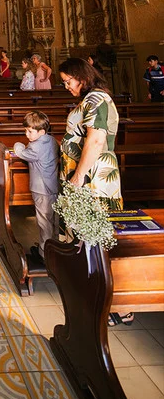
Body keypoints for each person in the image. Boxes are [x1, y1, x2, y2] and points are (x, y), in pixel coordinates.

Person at [59, 58, 128, 326]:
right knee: (89, 236)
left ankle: (111, 303)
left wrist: (77, 178)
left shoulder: (96, 99)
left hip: (93, 179)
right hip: (89, 175)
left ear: (83, 77)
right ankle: (98, 295)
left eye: (68, 81)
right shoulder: (91, 99)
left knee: (96, 235)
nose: (66, 86)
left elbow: (96, 139)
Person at [13, 111, 59, 265]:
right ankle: (55, 250)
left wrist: (18, 144)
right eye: (25, 131)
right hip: (53, 186)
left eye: (30, 131)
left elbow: (21, 152)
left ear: (42, 131)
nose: (27, 134)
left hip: (41, 189)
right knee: (54, 221)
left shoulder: (35, 147)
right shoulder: (52, 141)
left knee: (44, 222)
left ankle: (45, 255)